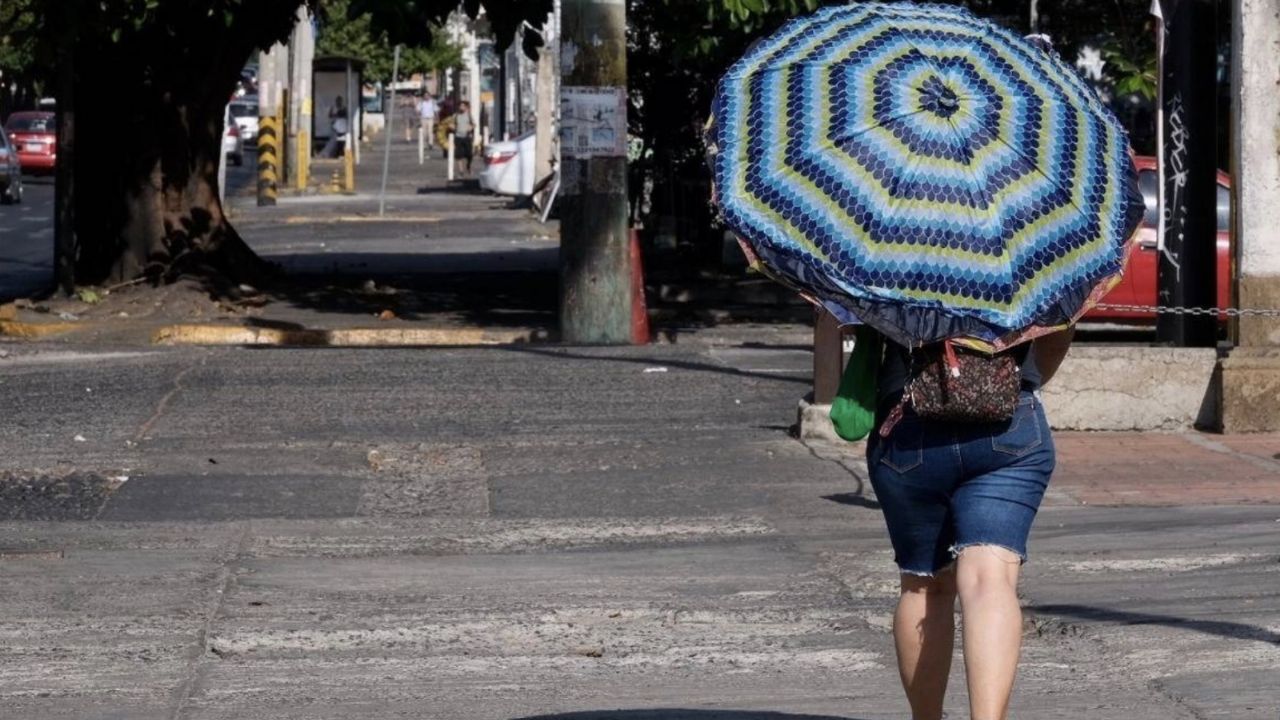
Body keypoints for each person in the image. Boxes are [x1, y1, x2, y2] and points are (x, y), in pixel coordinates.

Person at [867, 328, 1074, 720]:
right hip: (1009, 423)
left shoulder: (894, 265)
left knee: (923, 587)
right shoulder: (1020, 265)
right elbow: (1058, 332)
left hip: (909, 430)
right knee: (989, 581)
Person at [452, 101, 475, 177]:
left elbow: (474, 124)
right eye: (460, 106)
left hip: (467, 137)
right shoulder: (455, 116)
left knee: (469, 155)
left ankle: (468, 167)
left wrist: (470, 128)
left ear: (465, 107)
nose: (461, 107)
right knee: (459, 155)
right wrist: (452, 127)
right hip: (458, 137)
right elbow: (451, 124)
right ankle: (461, 171)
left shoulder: (469, 115)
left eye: (462, 106)